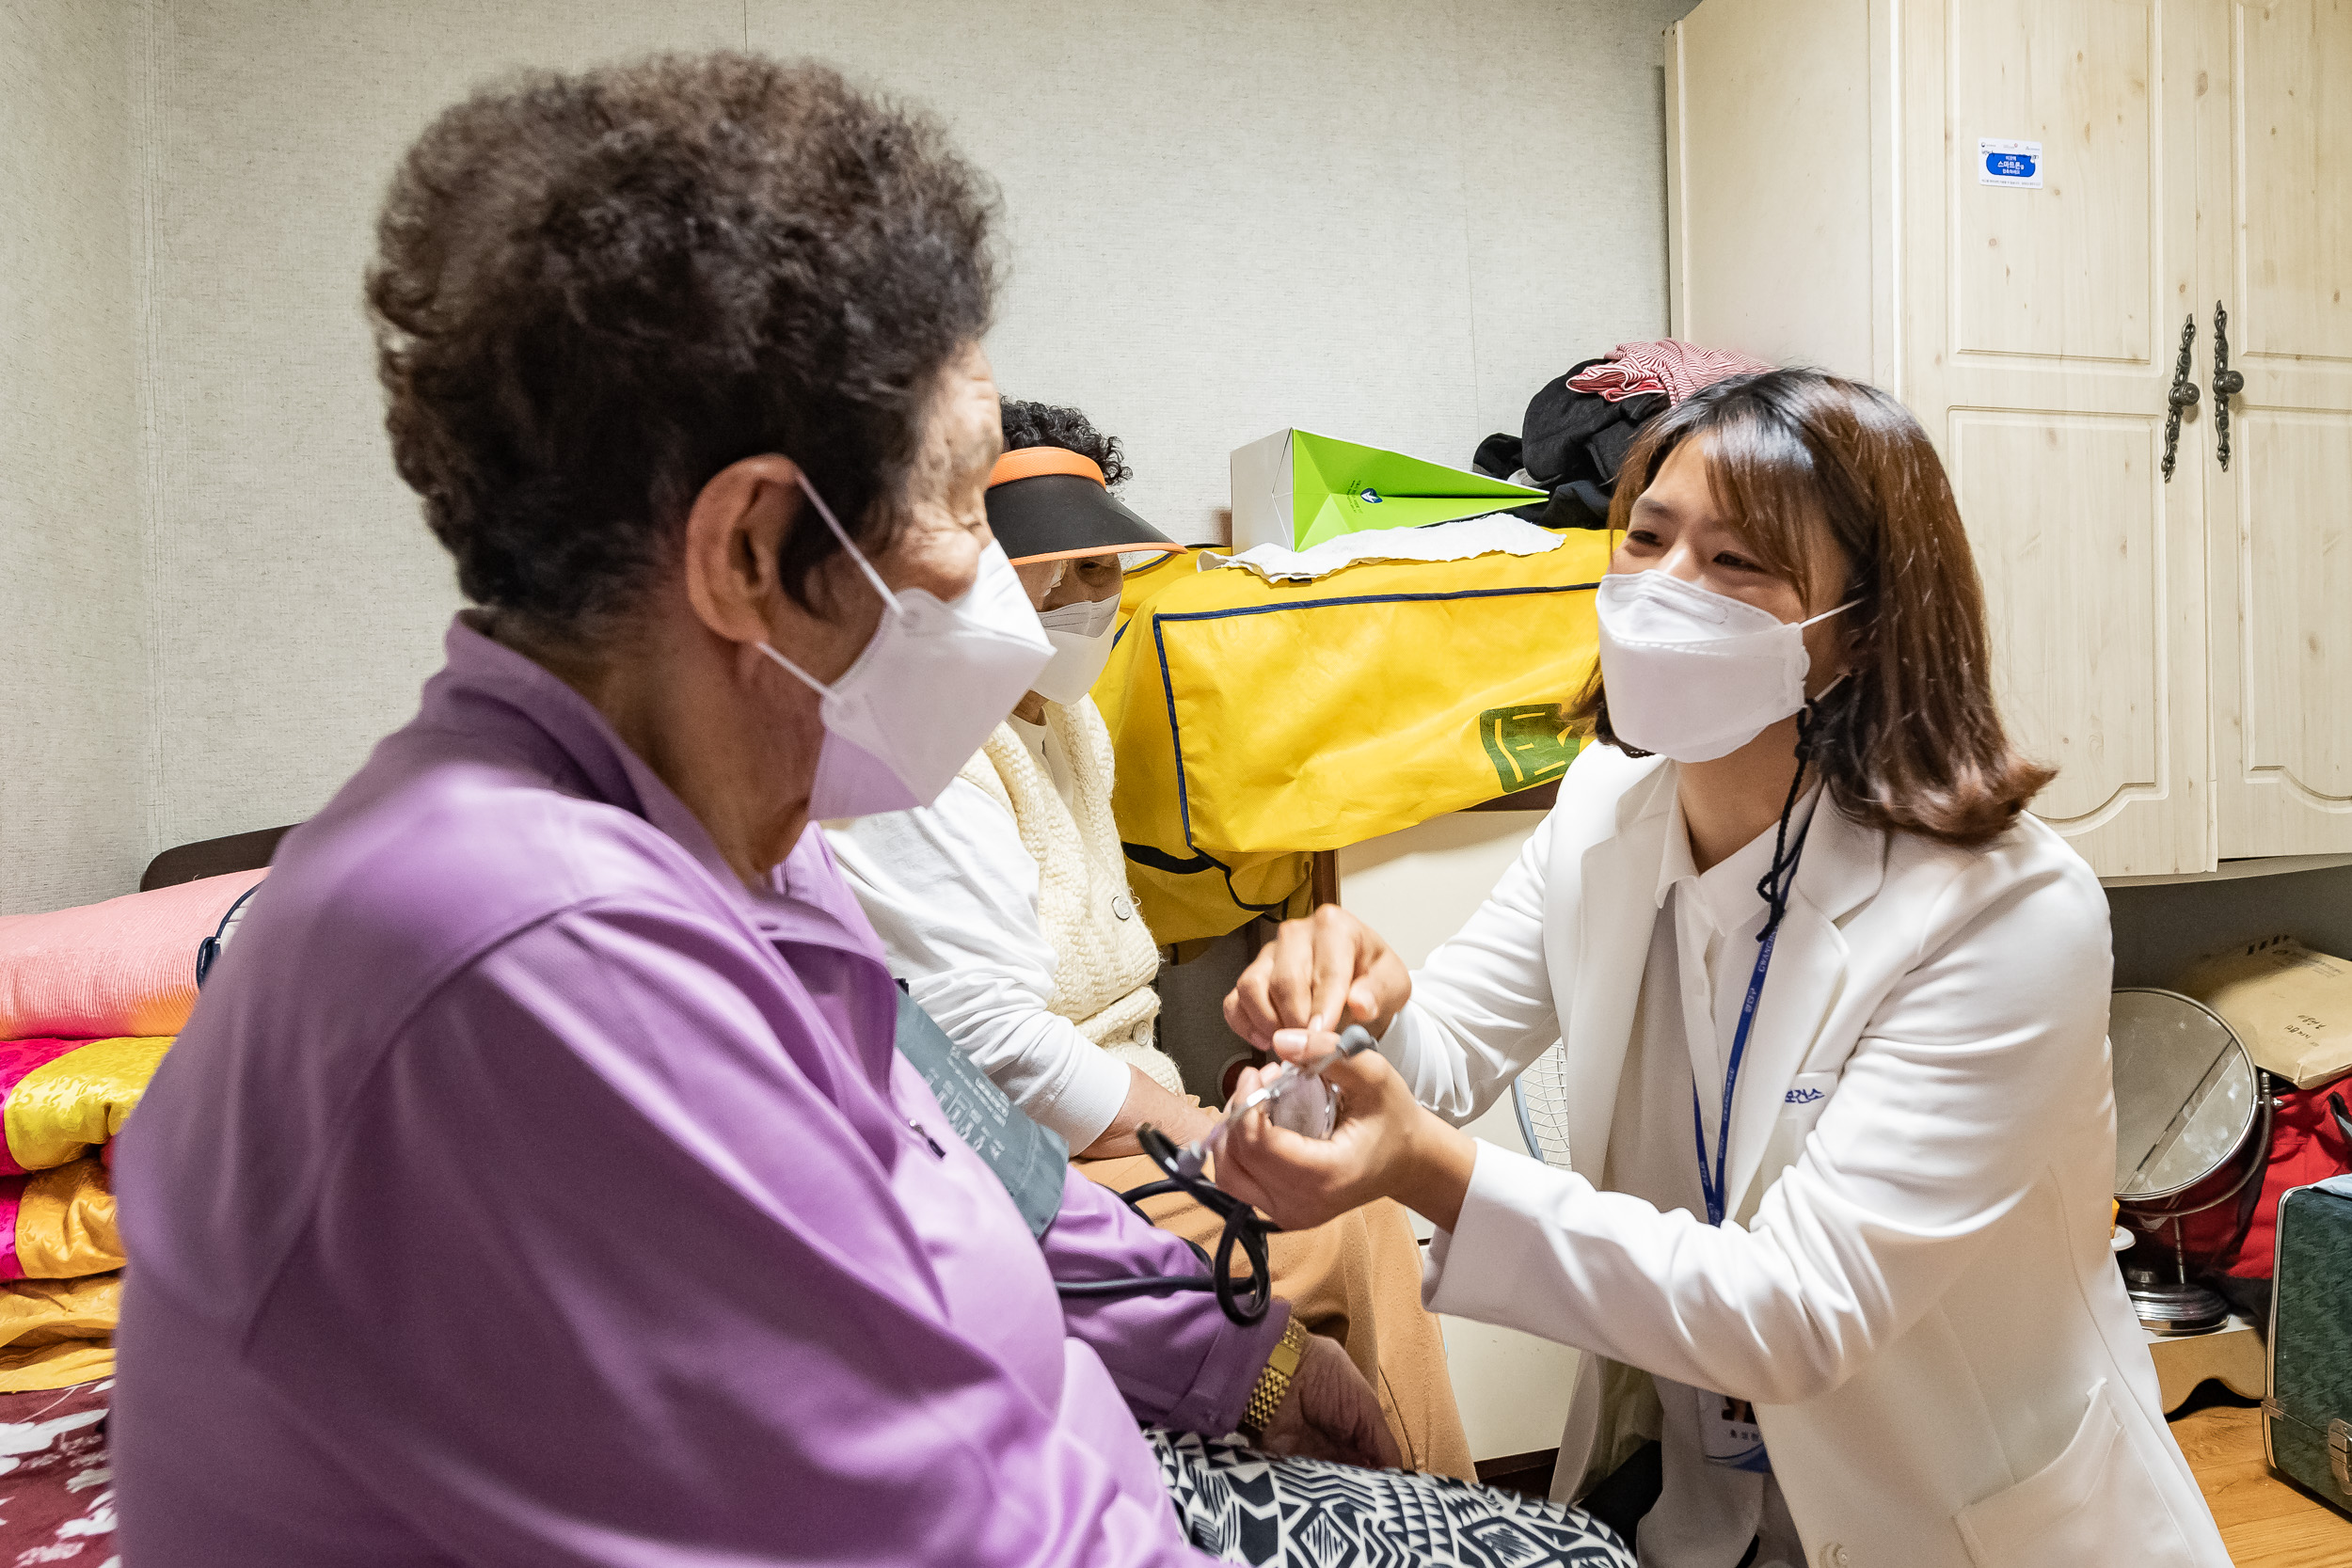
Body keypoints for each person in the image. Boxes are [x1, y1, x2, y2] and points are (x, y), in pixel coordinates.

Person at [109, 54, 1630, 1568]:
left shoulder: (739, 839)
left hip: (1077, 1444)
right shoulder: (533, 975)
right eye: (966, 505)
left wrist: (1247, 1361)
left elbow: (980, 1163)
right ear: (756, 547)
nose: (1012, 592)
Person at [1215, 370, 2232, 1568]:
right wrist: (1344, 1014)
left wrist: (1427, 1170)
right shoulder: (1605, 806)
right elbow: (1438, 1055)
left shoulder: (2004, 909)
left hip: (1958, 1520)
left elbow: (1802, 1309)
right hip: (1700, 1514)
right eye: (1644, 539)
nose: (1661, 589)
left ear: (1859, 629)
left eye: (1737, 561)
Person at [829, 400, 1473, 1480]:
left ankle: (1403, 1513)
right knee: (1352, 1224)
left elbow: (1111, 970)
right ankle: (1453, 1520)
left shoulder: (1069, 723)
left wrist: (1234, 1090)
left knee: (1346, 1181)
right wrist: (1192, 1126)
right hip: (1030, 1151)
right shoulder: (924, 743)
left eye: (1102, 570)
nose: (1084, 601)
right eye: (1052, 569)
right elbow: (988, 1045)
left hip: (1127, 1120)